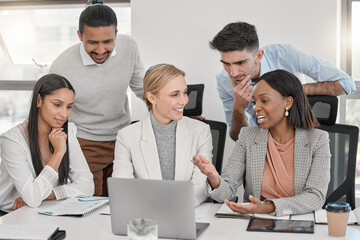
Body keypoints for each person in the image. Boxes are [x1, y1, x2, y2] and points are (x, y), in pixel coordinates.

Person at [193, 69, 331, 216]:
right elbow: (225, 192)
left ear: (288, 102)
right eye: (254, 102)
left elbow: (316, 197)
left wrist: (269, 207)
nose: (255, 108)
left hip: (299, 220)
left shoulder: (317, 140)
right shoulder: (248, 136)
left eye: (264, 101)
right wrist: (214, 178)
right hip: (256, 220)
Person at [49, 0, 145, 196]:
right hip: (85, 142)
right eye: (92, 42)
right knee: (92, 204)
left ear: (116, 34)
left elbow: (143, 88)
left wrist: (176, 113)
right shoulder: (62, 67)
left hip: (123, 138)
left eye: (107, 41)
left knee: (124, 200)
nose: (101, 50)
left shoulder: (129, 47)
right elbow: (51, 113)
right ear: (80, 36)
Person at [210, 21, 356, 141]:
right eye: (226, 64)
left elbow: (346, 83)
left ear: (258, 56)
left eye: (240, 63)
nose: (233, 73)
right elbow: (237, 137)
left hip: (302, 137)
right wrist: (238, 109)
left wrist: (295, 89)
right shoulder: (223, 79)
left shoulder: (287, 55)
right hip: (262, 145)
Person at [112, 64, 213, 206]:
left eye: (185, 92)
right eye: (174, 95)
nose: (184, 101)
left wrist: (174, 206)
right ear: (152, 98)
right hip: (145, 213)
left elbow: (200, 185)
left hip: (186, 211)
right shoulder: (126, 136)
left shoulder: (201, 131)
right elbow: (122, 187)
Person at [0, 74, 94, 213]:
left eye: (69, 107)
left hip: (48, 208)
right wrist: (58, 152)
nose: (64, 113)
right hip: (11, 214)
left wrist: (46, 195)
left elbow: (87, 186)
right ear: (39, 100)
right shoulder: (12, 141)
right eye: (57, 105)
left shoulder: (69, 131)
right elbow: (32, 198)